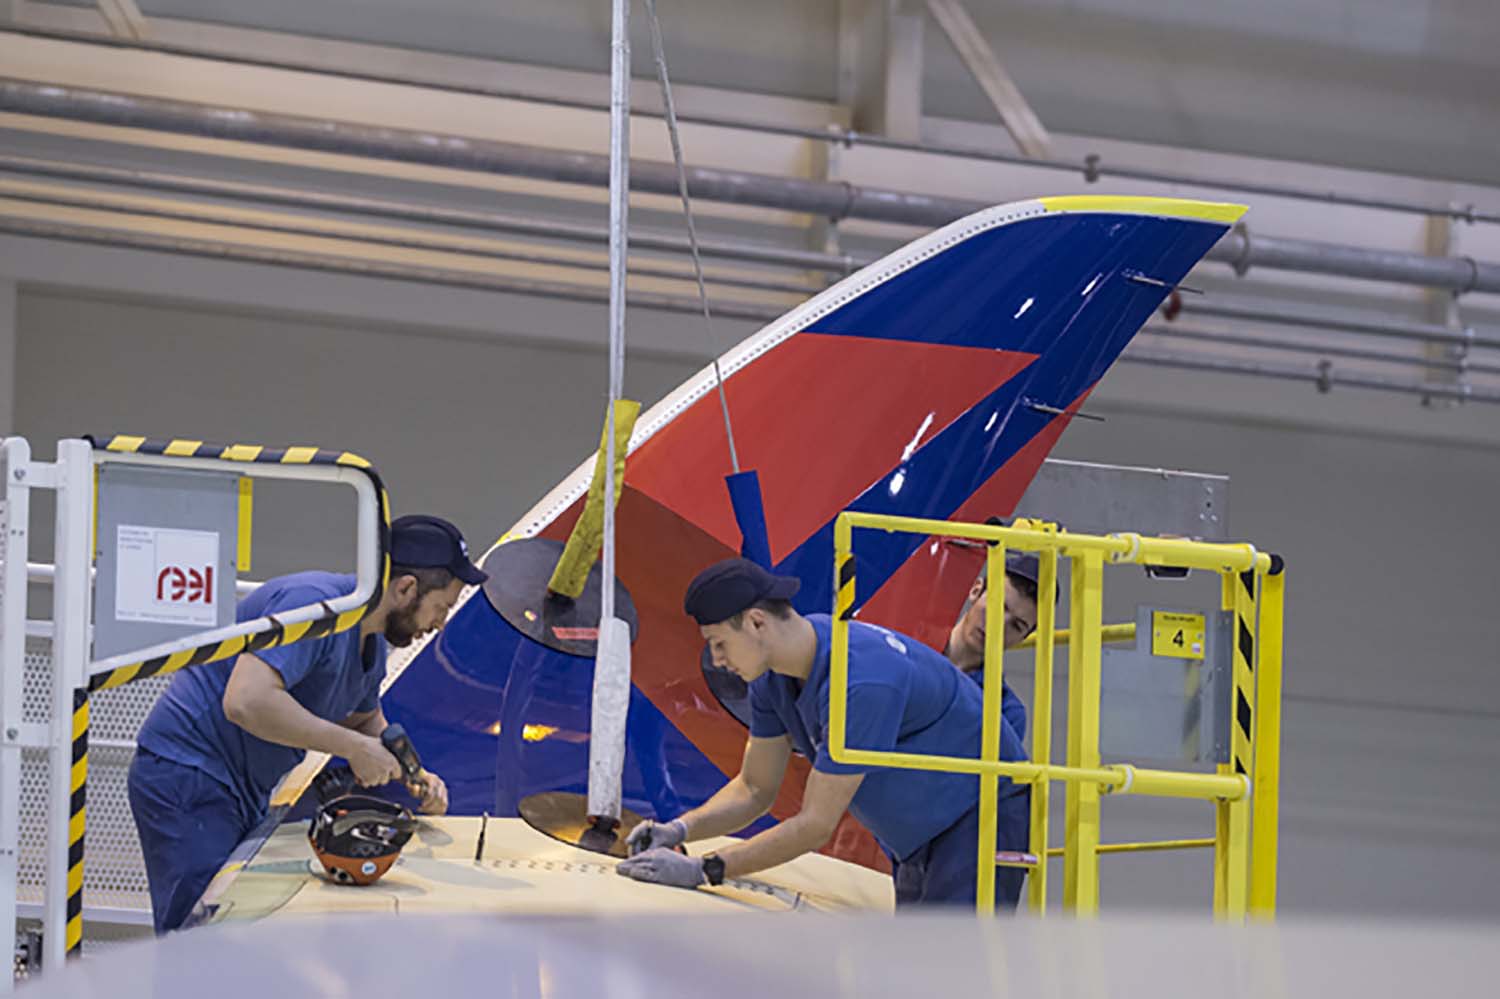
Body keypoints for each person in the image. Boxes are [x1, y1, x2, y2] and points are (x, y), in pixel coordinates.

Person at [127, 514, 487, 933]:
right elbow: (246, 700)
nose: (440, 624)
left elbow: (364, 717)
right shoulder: (313, 604)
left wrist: (415, 773)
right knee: (198, 941)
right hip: (188, 774)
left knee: (228, 937)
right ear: (405, 589)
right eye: (441, 608)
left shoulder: (367, 641)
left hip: (241, 789)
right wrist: (353, 749)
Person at [618, 558, 1029, 909]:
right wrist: (679, 830)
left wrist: (705, 869)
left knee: (948, 971)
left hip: (982, 817)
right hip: (920, 834)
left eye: (719, 643)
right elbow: (755, 788)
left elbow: (816, 824)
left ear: (757, 622)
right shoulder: (774, 679)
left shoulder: (862, 683)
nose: (718, 660)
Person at [943, 548, 1043, 741]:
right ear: (975, 590)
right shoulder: (902, 647)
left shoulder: (1006, 714)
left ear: (1023, 638)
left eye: (1016, 625)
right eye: (997, 605)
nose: (998, 625)